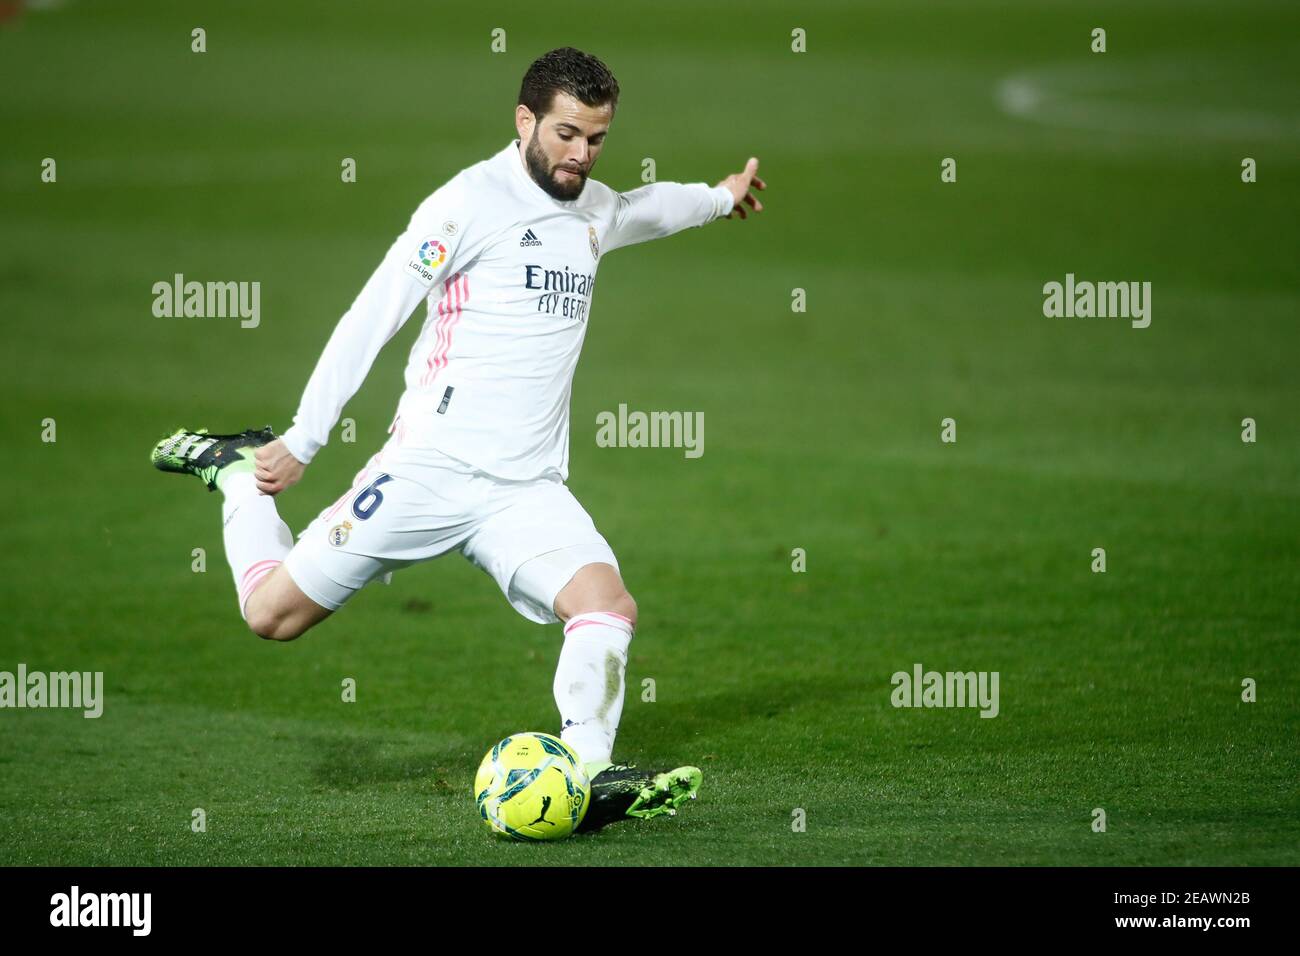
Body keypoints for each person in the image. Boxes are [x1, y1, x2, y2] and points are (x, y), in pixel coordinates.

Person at [150, 46, 766, 830]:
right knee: (272, 616)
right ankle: (236, 475)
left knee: (607, 606)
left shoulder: (593, 209)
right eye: (568, 134)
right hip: (427, 470)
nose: (581, 154)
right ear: (525, 120)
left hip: (525, 489)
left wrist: (720, 196)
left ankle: (588, 775)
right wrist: (304, 439)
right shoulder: (466, 205)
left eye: (597, 138)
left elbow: (649, 207)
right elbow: (371, 316)